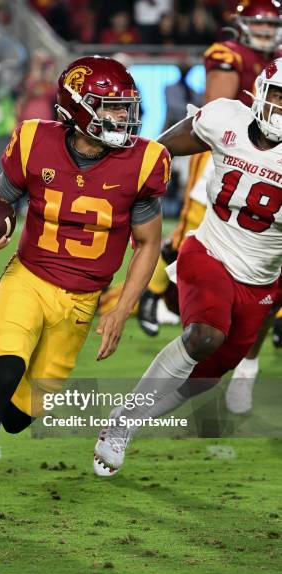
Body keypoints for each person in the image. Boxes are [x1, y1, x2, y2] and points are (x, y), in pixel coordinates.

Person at [0, 55, 171, 535]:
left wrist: (122, 308)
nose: (124, 119)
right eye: (111, 108)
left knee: (19, 418)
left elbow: (147, 244)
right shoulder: (33, 141)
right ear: (77, 110)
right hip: (29, 278)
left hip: (82, 301)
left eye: (127, 108)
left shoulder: (145, 161)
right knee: (2, 376)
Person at [94, 58, 282, 476]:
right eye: (281, 97)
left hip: (262, 279)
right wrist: (116, 181)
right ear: (260, 94)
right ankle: (123, 424)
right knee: (203, 337)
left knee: (204, 378)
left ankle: (126, 420)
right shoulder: (224, 117)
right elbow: (157, 152)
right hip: (210, 251)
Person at [138, 0, 282, 338]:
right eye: (258, 25)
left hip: (269, 155)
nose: (264, 32)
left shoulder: (274, 61)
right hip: (228, 148)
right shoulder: (227, 53)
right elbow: (218, 107)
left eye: (271, 26)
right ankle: (152, 293)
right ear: (241, 24)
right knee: (191, 225)